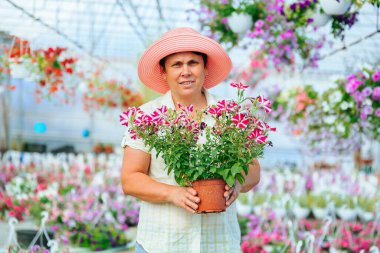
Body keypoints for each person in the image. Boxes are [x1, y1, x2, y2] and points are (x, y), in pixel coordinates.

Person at [121, 27, 261, 253]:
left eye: (193, 63)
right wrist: (172, 193)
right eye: (176, 65)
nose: (185, 71)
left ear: (205, 68)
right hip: (161, 243)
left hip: (218, 244)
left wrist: (237, 183)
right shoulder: (146, 117)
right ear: (164, 72)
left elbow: (254, 170)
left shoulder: (228, 115)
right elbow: (130, 178)